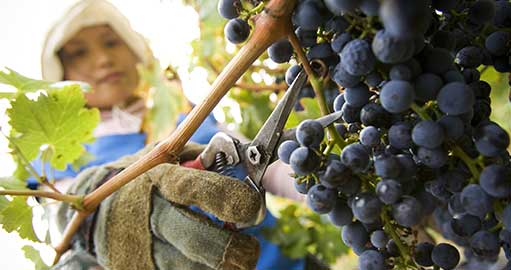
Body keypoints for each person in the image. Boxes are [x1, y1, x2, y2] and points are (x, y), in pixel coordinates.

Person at [36, 0, 324, 269]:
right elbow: (63, 219)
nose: (103, 59)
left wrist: (330, 185)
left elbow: (272, 163)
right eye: (79, 53)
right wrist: (100, 216)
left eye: (112, 43)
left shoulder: (189, 117)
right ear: (61, 76)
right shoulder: (56, 154)